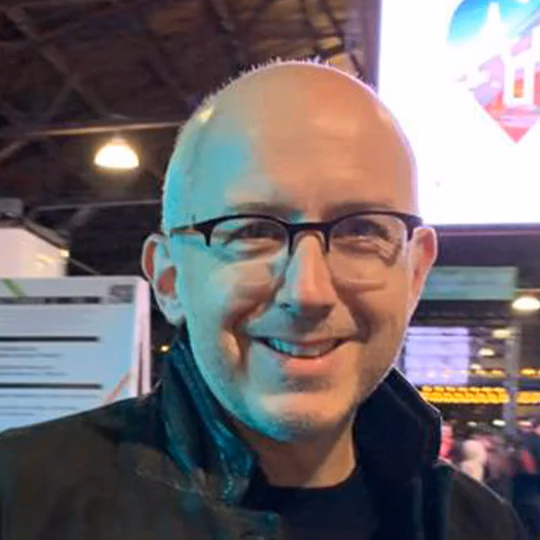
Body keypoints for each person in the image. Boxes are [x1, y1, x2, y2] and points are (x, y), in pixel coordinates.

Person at [0, 61, 525, 539]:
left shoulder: (479, 525)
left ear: (415, 273)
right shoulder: (22, 502)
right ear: (169, 278)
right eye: (252, 231)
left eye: (362, 230)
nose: (308, 292)